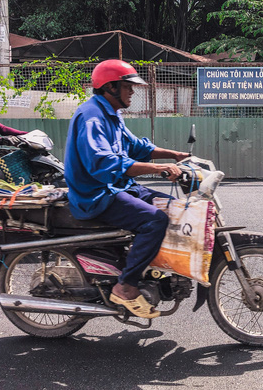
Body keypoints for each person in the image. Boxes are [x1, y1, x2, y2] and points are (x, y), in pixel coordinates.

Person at [64, 60, 189, 319]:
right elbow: (103, 164)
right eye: (128, 87)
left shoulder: (111, 114)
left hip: (119, 187)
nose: (133, 92)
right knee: (155, 220)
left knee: (174, 207)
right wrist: (157, 170)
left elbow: (137, 147)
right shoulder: (92, 116)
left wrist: (176, 155)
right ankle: (125, 286)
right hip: (97, 195)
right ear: (110, 87)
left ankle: (145, 267)